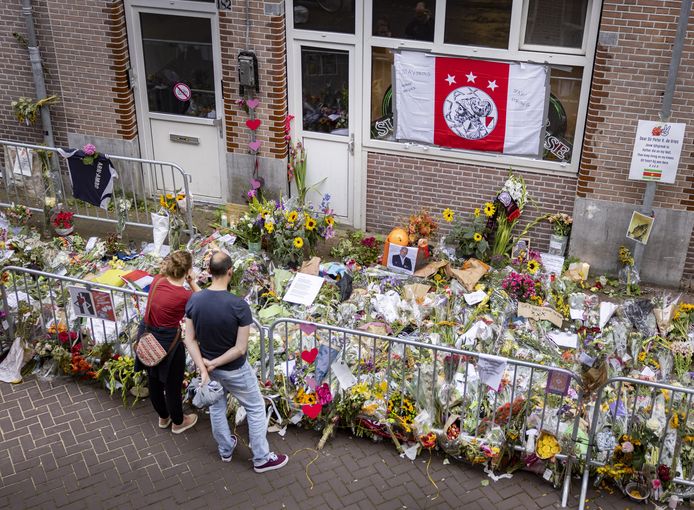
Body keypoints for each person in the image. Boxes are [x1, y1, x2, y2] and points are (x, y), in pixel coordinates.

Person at [184, 251, 288, 472]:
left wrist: (205, 367)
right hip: (234, 370)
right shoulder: (239, 306)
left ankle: (225, 449)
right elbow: (239, 349)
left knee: (217, 407)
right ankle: (261, 458)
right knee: (256, 407)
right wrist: (213, 364)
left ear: (209, 272)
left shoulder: (195, 299)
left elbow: (189, 339)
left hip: (210, 369)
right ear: (230, 271)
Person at [137, 250, 203, 434]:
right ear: (188, 270)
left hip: (148, 337)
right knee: (172, 385)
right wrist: (192, 281)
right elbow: (203, 301)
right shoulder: (185, 296)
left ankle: (163, 416)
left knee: (153, 378)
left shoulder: (158, 280)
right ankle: (178, 422)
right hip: (169, 344)